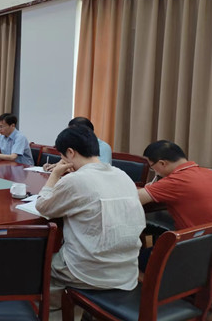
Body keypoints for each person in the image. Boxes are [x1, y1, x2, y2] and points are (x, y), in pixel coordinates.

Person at [35, 126, 145, 307]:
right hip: (127, 270)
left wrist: (54, 175)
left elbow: (43, 207)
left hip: (88, 273)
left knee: (37, 262)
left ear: (70, 153)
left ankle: (56, 308)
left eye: (62, 157)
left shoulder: (76, 180)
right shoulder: (122, 175)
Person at [137, 140, 212, 270]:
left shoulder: (175, 181)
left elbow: (133, 199)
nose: (154, 171)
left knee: (136, 259)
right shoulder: (209, 173)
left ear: (162, 163)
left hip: (207, 252)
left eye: (152, 167)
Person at [43, 117, 112, 171]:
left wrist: (67, 169)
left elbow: (99, 170)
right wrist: (55, 166)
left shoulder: (104, 147)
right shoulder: (76, 145)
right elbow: (68, 162)